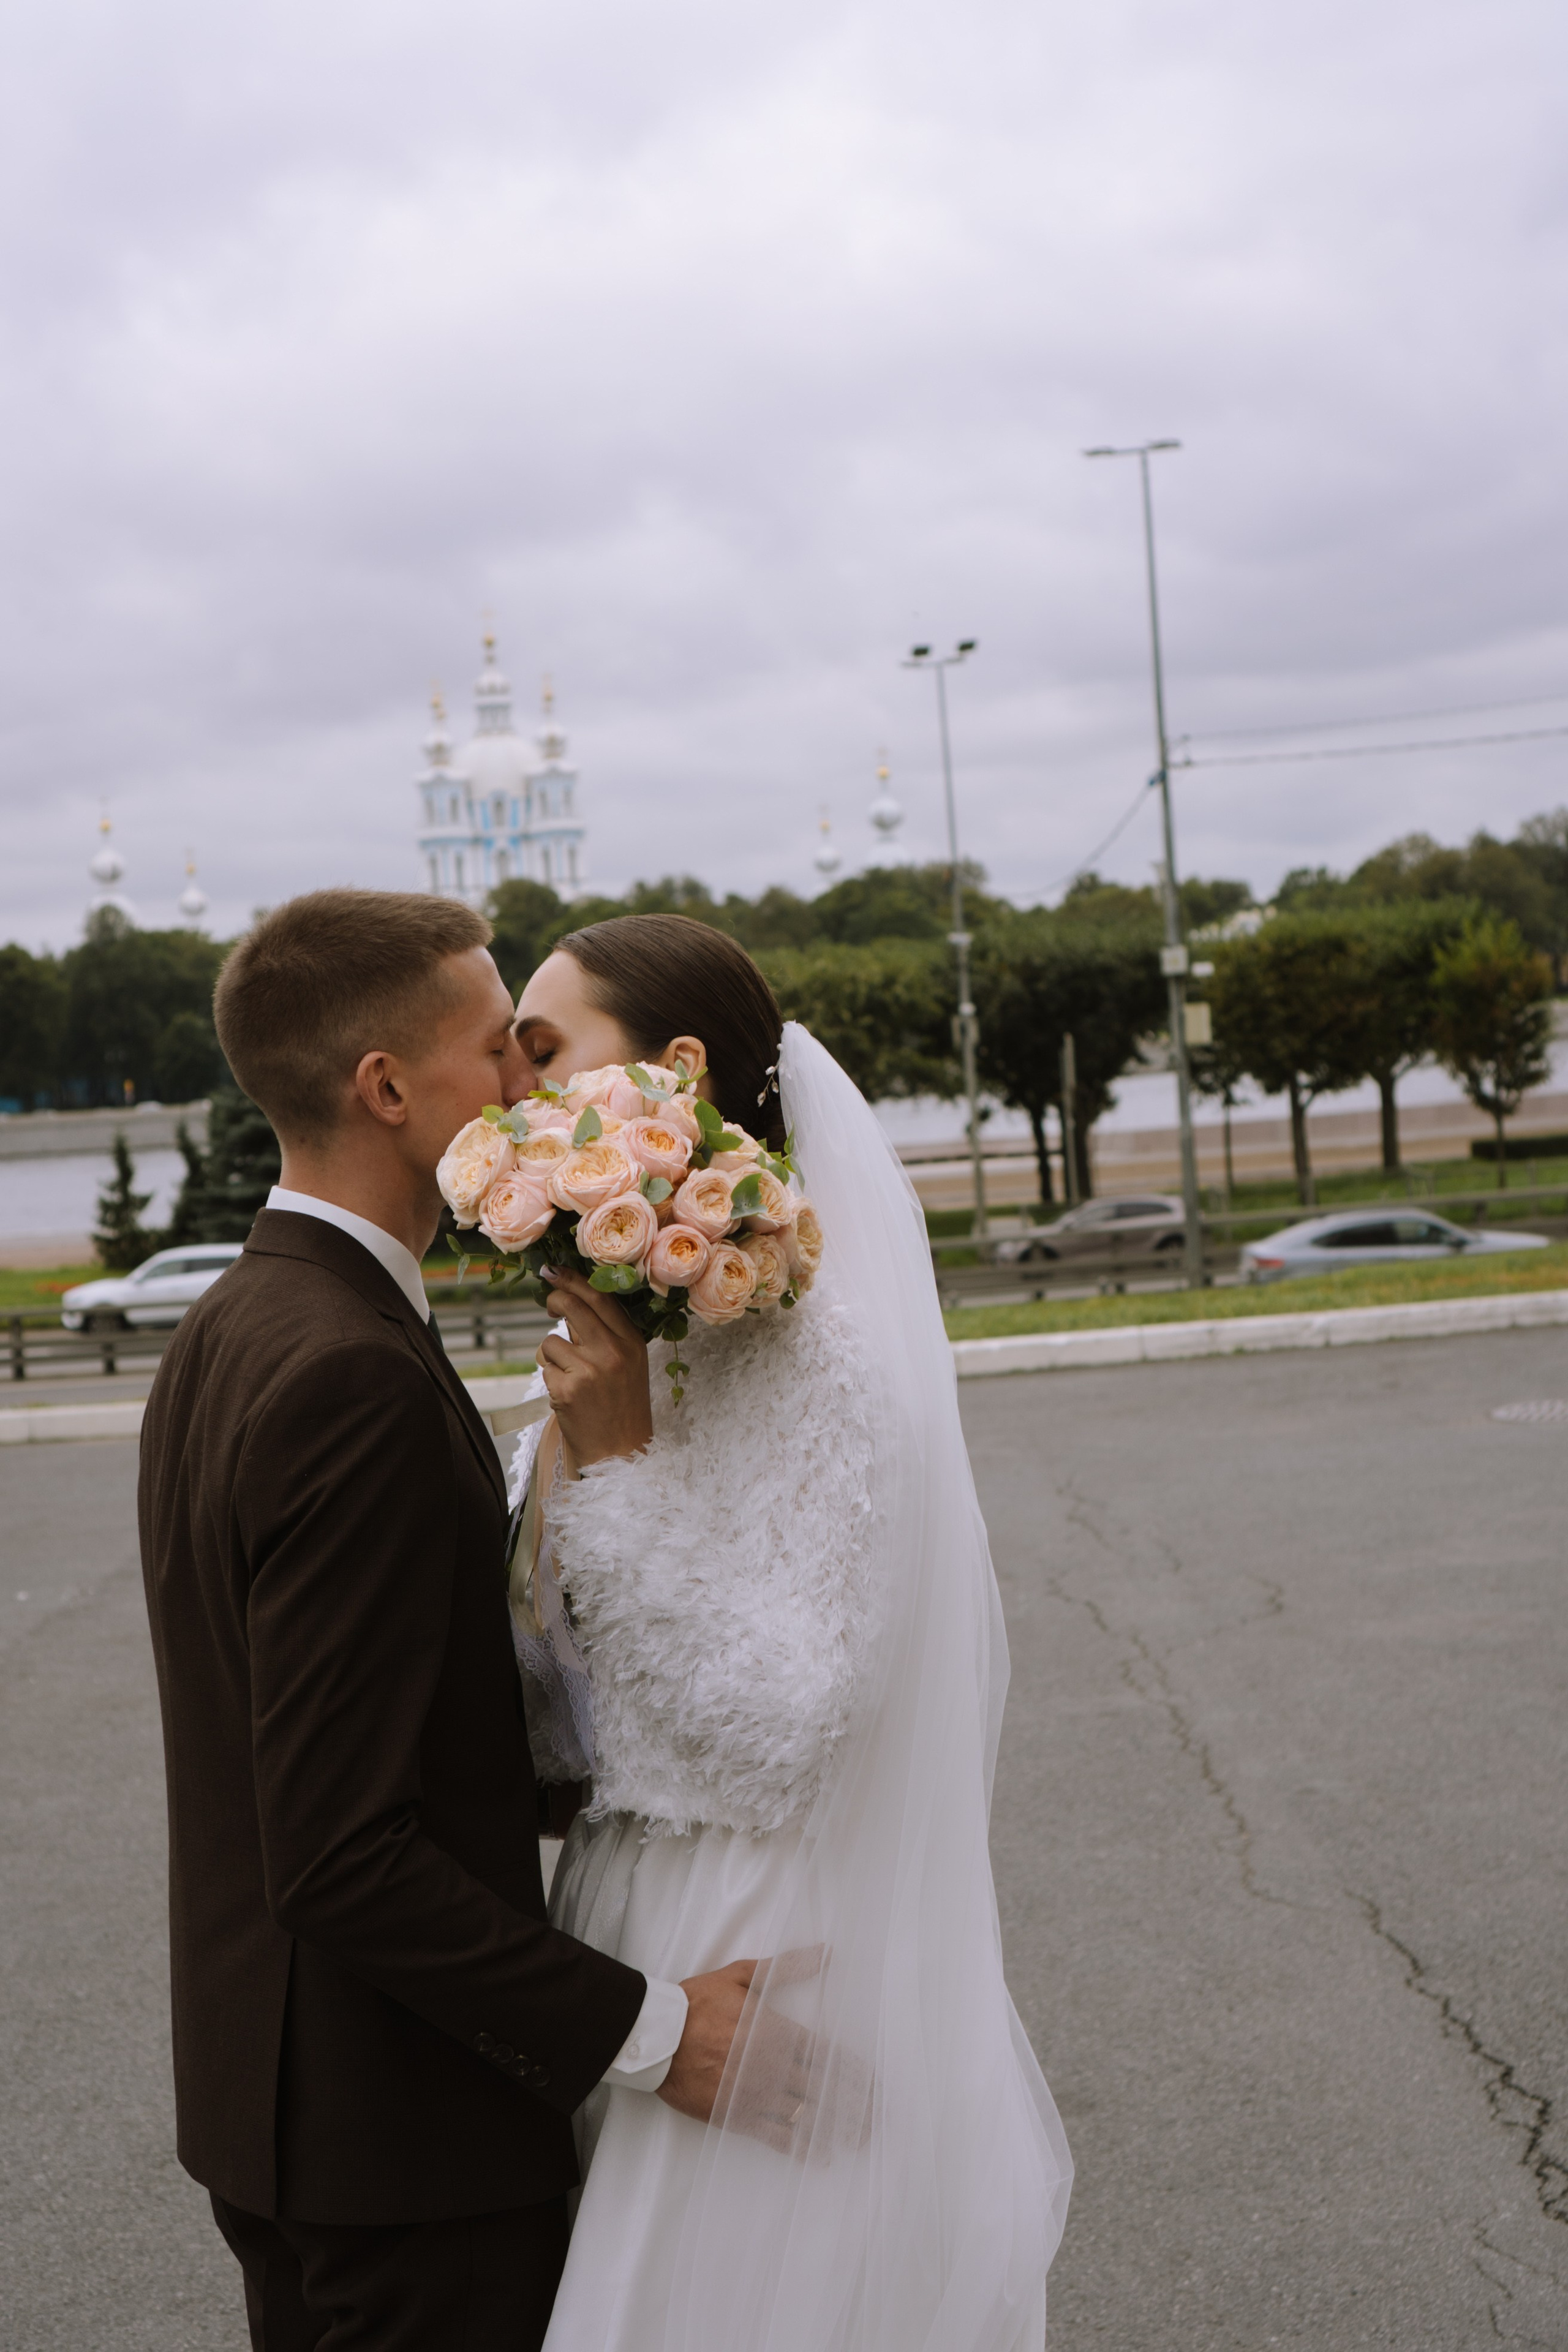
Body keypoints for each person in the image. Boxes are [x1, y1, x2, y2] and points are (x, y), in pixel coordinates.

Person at [138, 890, 760, 2352]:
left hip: (286, 2109)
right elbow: (341, 1855)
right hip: (405, 2147)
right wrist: (657, 2035)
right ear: (386, 1088)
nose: (527, 1086)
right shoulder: (346, 1371)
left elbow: (386, 1721)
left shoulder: (234, 1325)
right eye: (498, 1048)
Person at [508, 913, 1072, 2352]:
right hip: (620, 1928)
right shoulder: (652, 1341)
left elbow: (784, 1724)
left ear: (677, 1069)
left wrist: (621, 1465)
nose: (515, 1102)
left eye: (544, 1054)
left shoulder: (831, 1360)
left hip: (756, 1937)